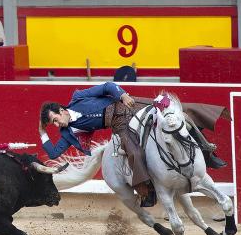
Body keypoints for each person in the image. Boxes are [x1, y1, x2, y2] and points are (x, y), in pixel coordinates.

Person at [39, 82, 228, 207]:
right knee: (134, 153)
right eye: (53, 125)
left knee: (177, 113)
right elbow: (54, 153)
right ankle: (147, 191)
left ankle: (206, 150)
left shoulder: (78, 97)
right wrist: (42, 133)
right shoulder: (69, 133)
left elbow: (107, 86)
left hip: (128, 105)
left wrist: (122, 95)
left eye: (55, 120)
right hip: (120, 125)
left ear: (62, 110)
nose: (57, 125)